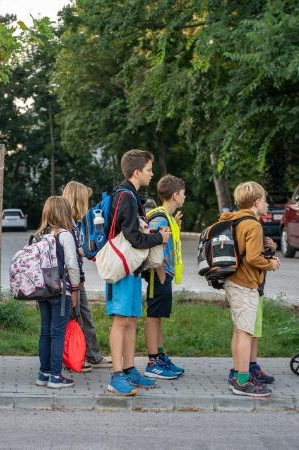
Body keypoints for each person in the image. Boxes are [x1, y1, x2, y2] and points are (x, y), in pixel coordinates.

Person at [105, 150, 169, 396]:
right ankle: (116, 377)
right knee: (120, 321)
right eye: (149, 170)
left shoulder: (132, 196)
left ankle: (130, 370)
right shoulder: (125, 196)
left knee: (131, 320)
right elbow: (132, 237)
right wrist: (157, 237)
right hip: (121, 268)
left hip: (131, 268)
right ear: (136, 172)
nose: (152, 174)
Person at [219, 182, 280, 397]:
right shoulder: (253, 224)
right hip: (245, 283)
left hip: (233, 280)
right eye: (264, 199)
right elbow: (253, 257)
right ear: (256, 202)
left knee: (239, 331)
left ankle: (237, 373)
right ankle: (242, 381)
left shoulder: (235, 219)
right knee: (245, 332)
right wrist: (270, 264)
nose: (267, 203)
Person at [32, 196, 80, 389]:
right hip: (60, 292)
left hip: (42, 290)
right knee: (57, 332)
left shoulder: (39, 235)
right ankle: (55, 376)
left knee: (45, 331)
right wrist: (74, 289)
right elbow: (72, 265)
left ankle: (42, 374)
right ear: (64, 212)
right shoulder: (65, 235)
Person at [61, 181, 109, 372]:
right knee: (73, 318)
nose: (87, 205)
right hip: (69, 280)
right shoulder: (65, 224)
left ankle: (93, 355)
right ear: (78, 200)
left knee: (85, 316)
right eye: (85, 200)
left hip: (77, 278)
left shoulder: (76, 223)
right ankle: (73, 358)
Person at [143, 175, 187, 379]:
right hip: (158, 275)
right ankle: (153, 362)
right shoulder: (160, 217)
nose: (184, 197)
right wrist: (160, 274)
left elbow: (168, 240)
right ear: (176, 195)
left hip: (163, 275)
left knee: (158, 316)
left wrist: (176, 225)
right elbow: (154, 244)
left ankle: (160, 356)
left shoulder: (166, 217)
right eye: (183, 194)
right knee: (153, 316)